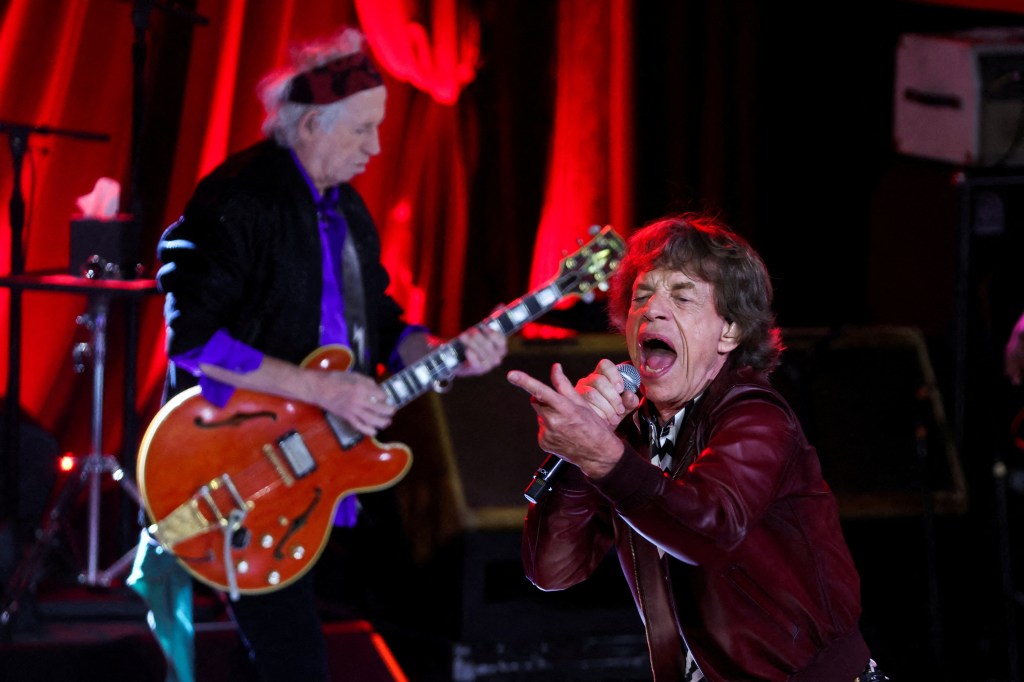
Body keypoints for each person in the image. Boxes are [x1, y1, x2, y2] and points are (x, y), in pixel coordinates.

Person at [144, 26, 507, 681]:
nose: (375, 146)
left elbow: (385, 327)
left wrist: (454, 354)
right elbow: (195, 340)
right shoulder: (239, 197)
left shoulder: (347, 212)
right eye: (363, 129)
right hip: (235, 462)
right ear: (312, 124)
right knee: (294, 659)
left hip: (312, 471)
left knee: (280, 657)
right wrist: (327, 391)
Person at [507, 213, 888, 681]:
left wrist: (601, 456)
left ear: (729, 331)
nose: (652, 310)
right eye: (641, 297)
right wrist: (580, 456)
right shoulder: (632, 432)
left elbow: (710, 529)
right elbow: (552, 570)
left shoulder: (755, 415)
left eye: (682, 298)